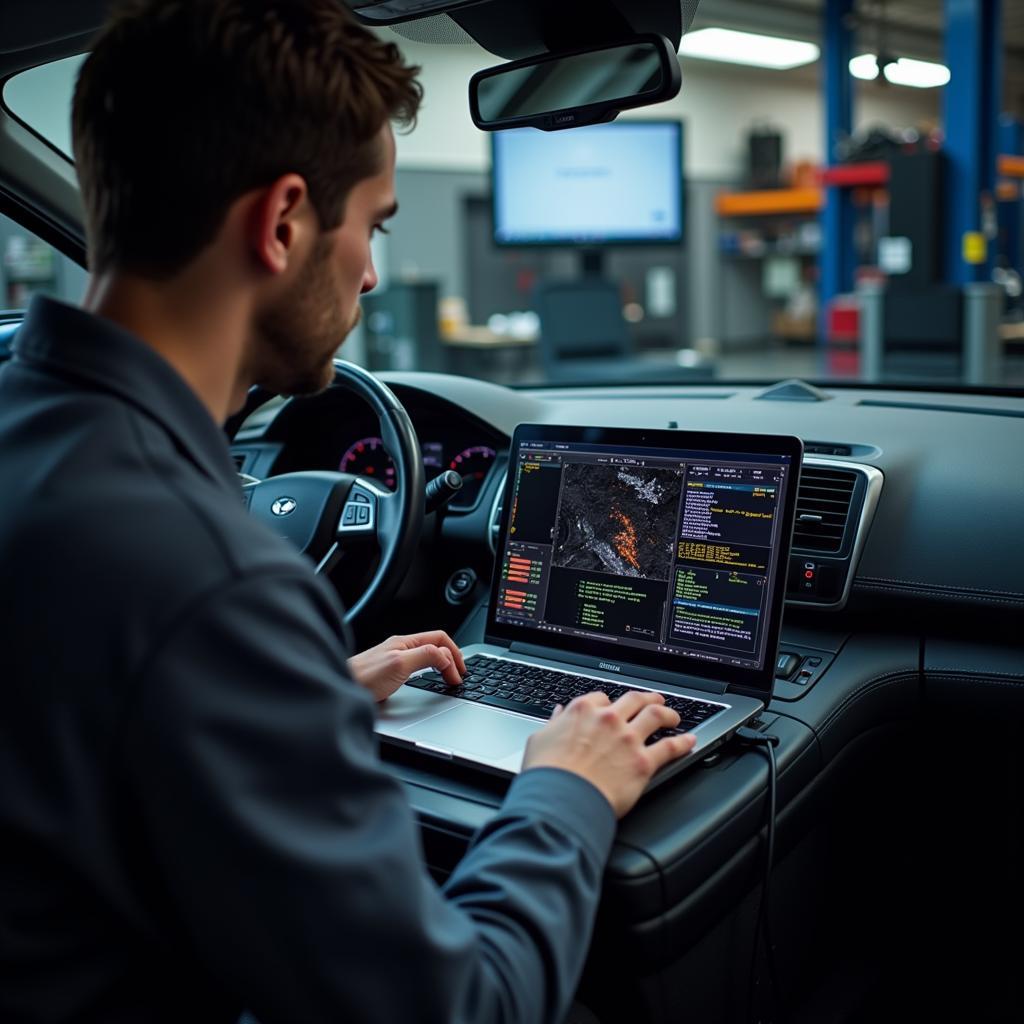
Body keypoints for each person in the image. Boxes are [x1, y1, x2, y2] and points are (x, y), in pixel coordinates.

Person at [0, 2, 696, 1021]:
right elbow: (461, 1005)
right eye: (371, 225)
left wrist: (302, 693)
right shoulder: (209, 582)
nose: (371, 272)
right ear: (281, 223)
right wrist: (566, 787)